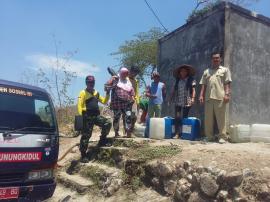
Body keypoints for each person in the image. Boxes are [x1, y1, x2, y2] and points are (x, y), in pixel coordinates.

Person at [199, 52, 232, 143]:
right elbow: (203, 85)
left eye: (217, 58)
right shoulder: (206, 71)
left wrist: (227, 94)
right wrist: (201, 95)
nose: (216, 59)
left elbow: (227, 83)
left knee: (221, 118)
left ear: (220, 59)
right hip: (208, 98)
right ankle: (209, 137)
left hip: (220, 97)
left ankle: (222, 137)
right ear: (211, 59)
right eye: (214, 58)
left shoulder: (225, 70)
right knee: (208, 119)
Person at [77, 75, 112, 163]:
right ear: (86, 83)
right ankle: (83, 155)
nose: (91, 84)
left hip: (96, 116)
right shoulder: (83, 93)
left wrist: (108, 93)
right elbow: (79, 105)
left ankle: (102, 140)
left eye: (92, 82)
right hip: (87, 116)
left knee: (107, 123)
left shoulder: (96, 93)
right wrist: (80, 118)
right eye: (89, 82)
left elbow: (104, 101)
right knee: (86, 135)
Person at [170, 64, 196, 138]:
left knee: (184, 117)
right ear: (180, 72)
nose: (183, 72)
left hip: (187, 101)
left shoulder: (191, 80)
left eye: (185, 71)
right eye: (182, 71)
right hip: (178, 100)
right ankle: (177, 133)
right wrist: (170, 98)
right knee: (177, 117)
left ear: (187, 72)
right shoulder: (177, 80)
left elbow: (193, 90)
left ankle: (184, 134)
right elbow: (174, 90)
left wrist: (193, 98)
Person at [110, 67, 135, 137]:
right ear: (120, 73)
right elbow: (107, 86)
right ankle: (116, 132)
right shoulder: (115, 79)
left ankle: (128, 132)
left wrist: (132, 98)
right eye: (123, 73)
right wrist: (112, 79)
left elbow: (132, 91)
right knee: (116, 117)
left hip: (127, 103)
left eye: (126, 73)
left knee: (128, 116)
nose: (125, 75)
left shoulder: (128, 81)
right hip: (116, 103)